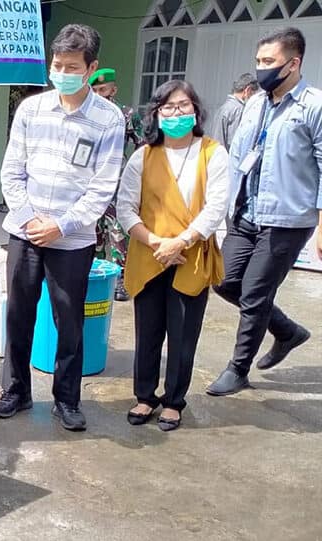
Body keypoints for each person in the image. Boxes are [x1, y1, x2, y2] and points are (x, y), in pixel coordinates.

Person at [0, 24, 125, 432]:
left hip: (73, 239)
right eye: (56, 64)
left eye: (71, 66)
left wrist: (61, 225)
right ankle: (16, 390)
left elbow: (102, 188)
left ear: (91, 68)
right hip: (24, 231)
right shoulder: (32, 109)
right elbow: (11, 172)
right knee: (18, 313)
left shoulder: (108, 119)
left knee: (70, 319)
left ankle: (67, 399)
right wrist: (32, 219)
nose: (61, 72)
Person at [206, 27, 322, 397]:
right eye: (258, 61)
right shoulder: (254, 103)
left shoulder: (314, 107)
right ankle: (287, 331)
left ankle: (238, 369)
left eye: (269, 62)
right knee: (224, 281)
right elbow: (239, 157)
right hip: (244, 213)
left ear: (294, 62)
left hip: (286, 219)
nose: (261, 69)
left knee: (255, 293)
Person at [117, 80, 229, 432]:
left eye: (183, 106)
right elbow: (125, 208)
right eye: (168, 107)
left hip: (190, 256)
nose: (176, 112)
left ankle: (174, 401)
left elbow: (216, 206)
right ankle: (144, 396)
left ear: (195, 111)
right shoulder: (143, 156)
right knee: (147, 331)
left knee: (183, 334)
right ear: (157, 113)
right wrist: (156, 243)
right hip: (149, 254)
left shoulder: (213, 152)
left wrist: (180, 242)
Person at [90, 67, 142, 302]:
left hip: (118, 183)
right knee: (93, 230)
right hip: (90, 182)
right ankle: (95, 273)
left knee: (118, 232)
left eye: (104, 89)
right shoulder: (87, 115)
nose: (100, 94)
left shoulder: (127, 114)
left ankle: (121, 279)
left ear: (114, 89)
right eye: (95, 90)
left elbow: (143, 146)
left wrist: (132, 173)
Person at [213, 73, 259, 150]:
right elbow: (236, 142)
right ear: (248, 90)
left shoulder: (224, 107)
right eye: (253, 94)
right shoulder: (239, 110)